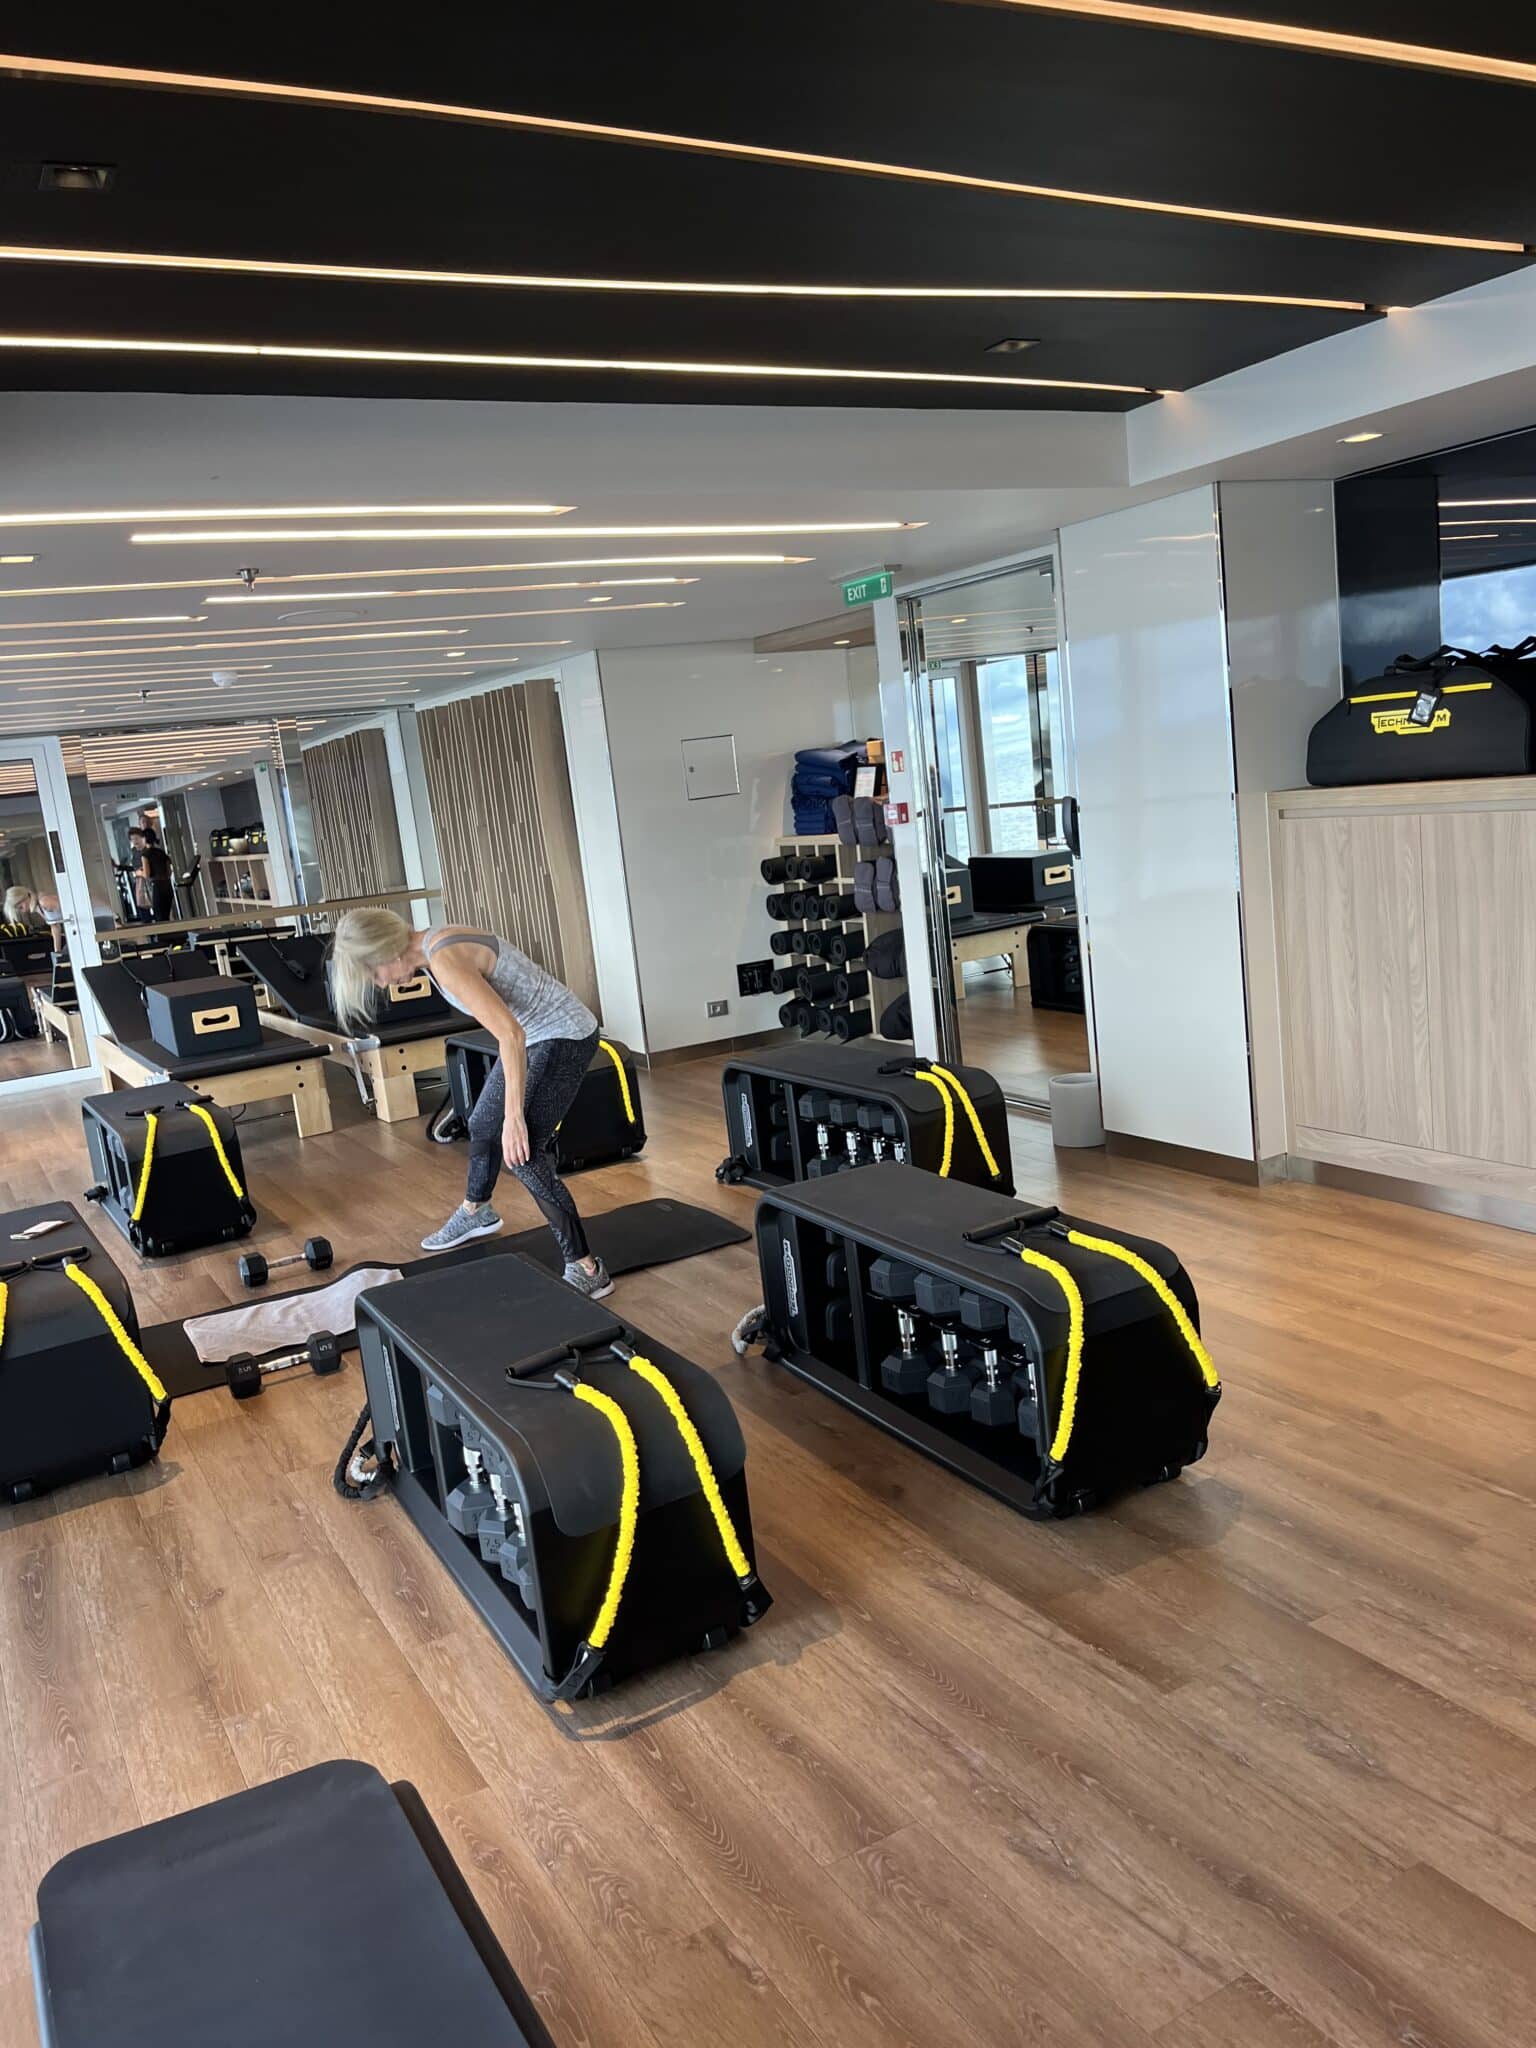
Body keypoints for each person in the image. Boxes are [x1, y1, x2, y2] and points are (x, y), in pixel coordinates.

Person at [329, 907, 612, 1297]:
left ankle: (587, 1267)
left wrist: (514, 1117)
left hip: (564, 1036)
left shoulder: (443, 960)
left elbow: (509, 1035)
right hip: (534, 1037)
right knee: (482, 1123)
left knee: (524, 1152)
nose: (379, 984)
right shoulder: (431, 946)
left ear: (386, 953)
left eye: (374, 974)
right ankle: (477, 1211)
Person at [129, 827, 173, 923]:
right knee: (166, 917)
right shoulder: (162, 853)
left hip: (156, 887)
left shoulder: (145, 855)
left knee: (159, 918)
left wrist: (138, 872)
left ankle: (163, 937)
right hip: (167, 886)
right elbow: (169, 872)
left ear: (144, 839)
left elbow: (147, 874)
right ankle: (172, 936)